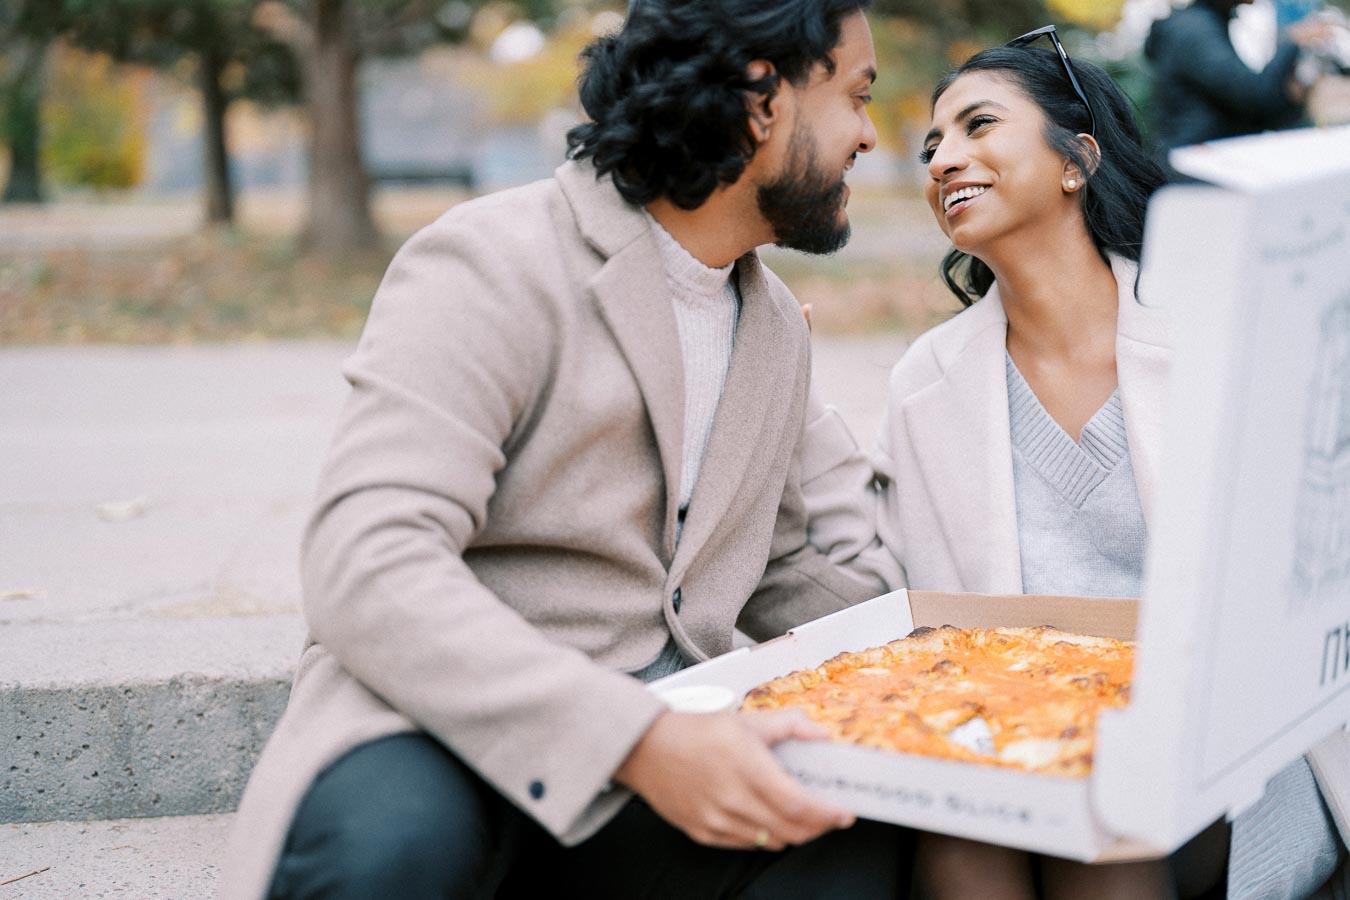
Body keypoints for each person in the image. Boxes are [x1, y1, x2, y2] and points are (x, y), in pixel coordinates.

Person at [219, 2, 908, 899]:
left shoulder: (773, 324)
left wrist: (956, 640)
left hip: (667, 738)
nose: (867, 134)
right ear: (762, 100)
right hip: (444, 725)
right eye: (857, 95)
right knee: (394, 854)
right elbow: (367, 558)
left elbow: (780, 571)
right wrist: (633, 739)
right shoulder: (489, 260)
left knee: (855, 841)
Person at [806, 31, 1348, 900]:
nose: (945, 158)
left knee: (1096, 836)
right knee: (964, 849)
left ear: (1077, 160)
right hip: (1014, 737)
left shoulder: (1224, 331)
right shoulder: (924, 382)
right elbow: (884, 583)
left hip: (1221, 745)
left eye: (980, 125)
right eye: (934, 143)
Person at [1144, 0, 1333, 181]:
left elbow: (1260, 112)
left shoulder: (1211, 23)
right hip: (1193, 172)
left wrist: (1297, 93)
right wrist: (1292, 40)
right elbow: (1251, 96)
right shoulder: (1193, 31)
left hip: (1211, 163)